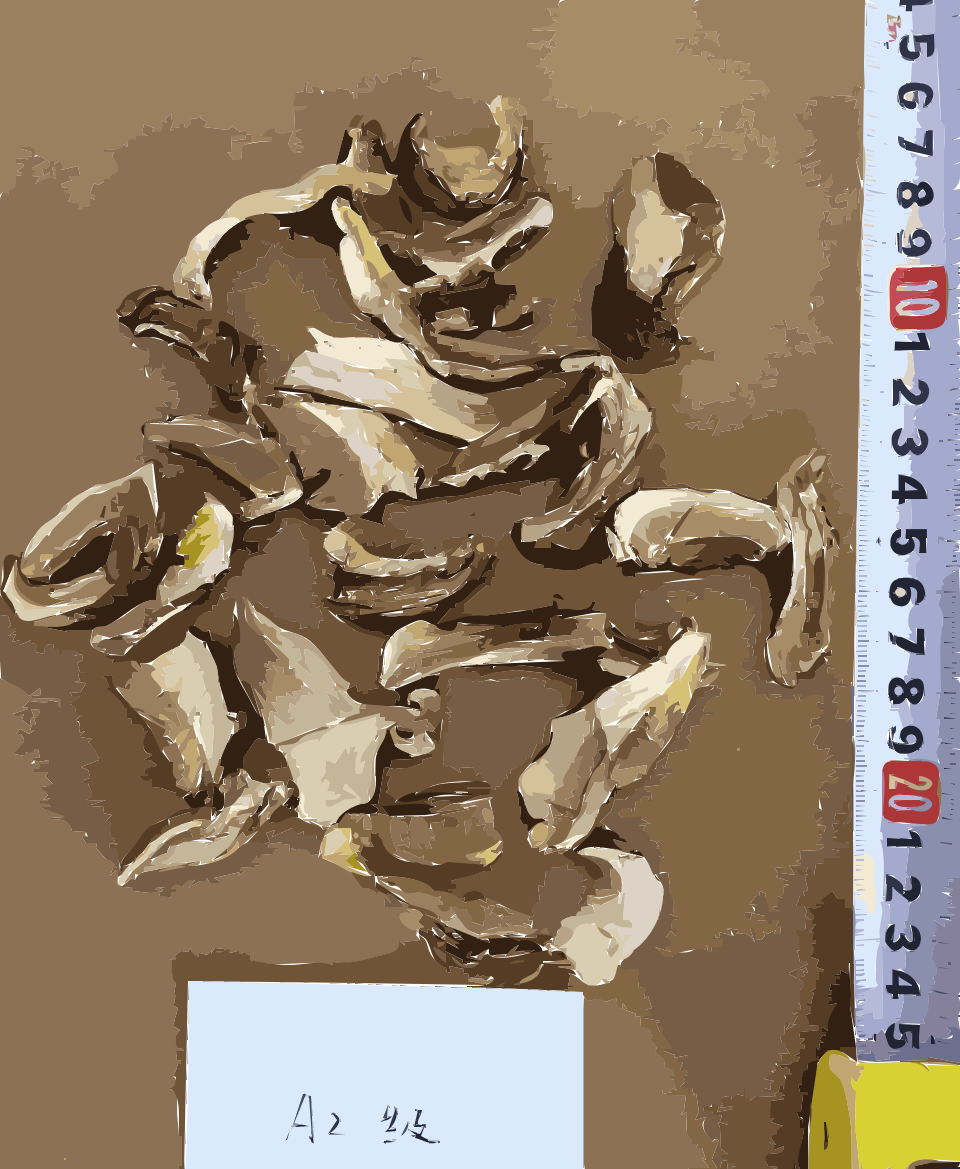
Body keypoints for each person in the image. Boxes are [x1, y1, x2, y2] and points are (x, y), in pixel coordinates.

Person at [4, 98, 834, 985]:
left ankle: (766, 544)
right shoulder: (318, 468)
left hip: (380, 504)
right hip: (348, 495)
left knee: (573, 486)